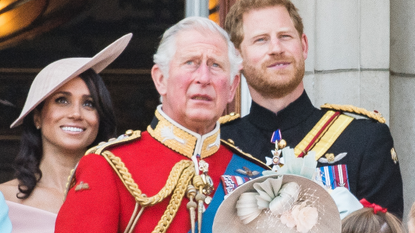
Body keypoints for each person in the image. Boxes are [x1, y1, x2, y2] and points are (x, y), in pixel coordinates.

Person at [55, 16, 268, 233]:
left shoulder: (259, 178)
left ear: (232, 87)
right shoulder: (108, 167)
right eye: (190, 63)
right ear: (160, 79)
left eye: (215, 65)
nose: (204, 77)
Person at [221, 0, 403, 218]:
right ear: (237, 57)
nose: (276, 49)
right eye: (261, 40)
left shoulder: (363, 139)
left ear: (304, 46)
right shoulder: (219, 143)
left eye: (285, 36)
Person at [0, 33, 132, 232]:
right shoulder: (4, 200)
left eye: (89, 104)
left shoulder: (123, 198)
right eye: (62, 100)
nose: (76, 114)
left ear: (100, 119)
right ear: (37, 117)